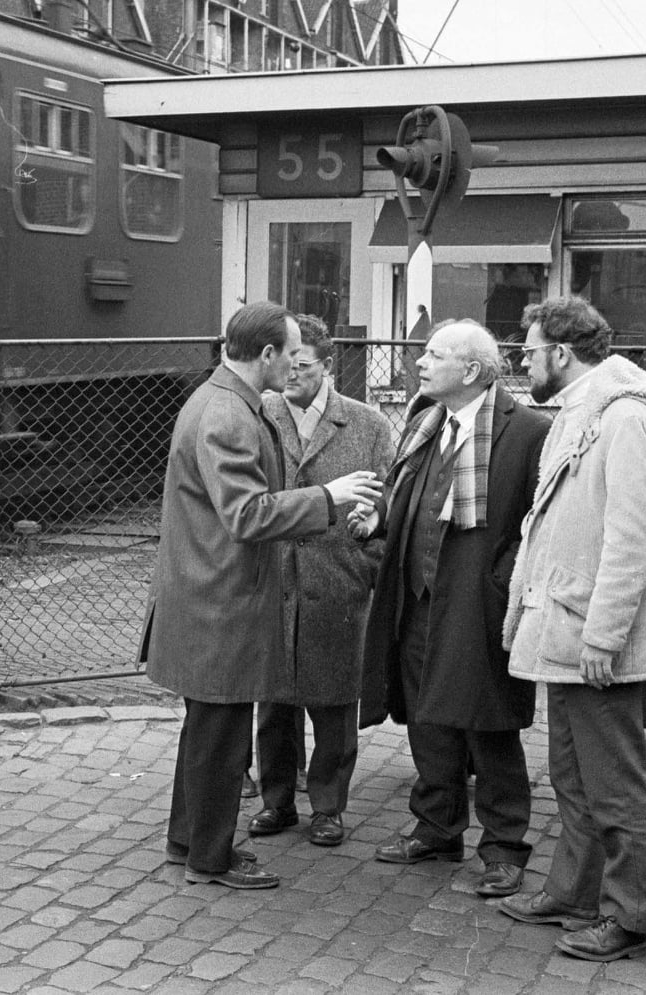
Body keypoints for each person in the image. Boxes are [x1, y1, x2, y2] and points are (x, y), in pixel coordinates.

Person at [140, 301, 382, 891]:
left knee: (206, 731)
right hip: (219, 603)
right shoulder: (229, 414)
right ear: (267, 354)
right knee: (220, 739)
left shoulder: (222, 400)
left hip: (208, 594)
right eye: (292, 351)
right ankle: (210, 859)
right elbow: (246, 515)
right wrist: (328, 496)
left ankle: (187, 841)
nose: (297, 362)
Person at [495, 297, 646, 963]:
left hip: (593, 638)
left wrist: (605, 634)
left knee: (614, 782)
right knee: (573, 772)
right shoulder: (582, 412)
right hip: (568, 628)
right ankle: (572, 891)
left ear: (563, 353)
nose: (522, 357)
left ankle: (630, 916)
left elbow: (632, 539)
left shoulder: (624, 420)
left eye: (531, 346)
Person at [354, 319, 548, 899]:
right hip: (417, 600)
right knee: (426, 715)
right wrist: (381, 519)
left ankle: (504, 847)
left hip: (480, 604)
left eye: (433, 355)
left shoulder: (529, 432)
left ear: (469, 371)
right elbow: (411, 495)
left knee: (488, 724)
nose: (419, 363)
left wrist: (501, 579)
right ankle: (437, 828)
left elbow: (541, 519)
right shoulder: (426, 421)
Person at [249, 315, 397, 848]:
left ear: (328, 367)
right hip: (274, 578)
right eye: (285, 362)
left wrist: (367, 551)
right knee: (274, 701)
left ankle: (329, 806)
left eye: (301, 365)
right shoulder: (259, 413)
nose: (289, 373)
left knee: (335, 702)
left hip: (338, 579)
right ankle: (277, 801)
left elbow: (389, 505)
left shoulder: (368, 424)